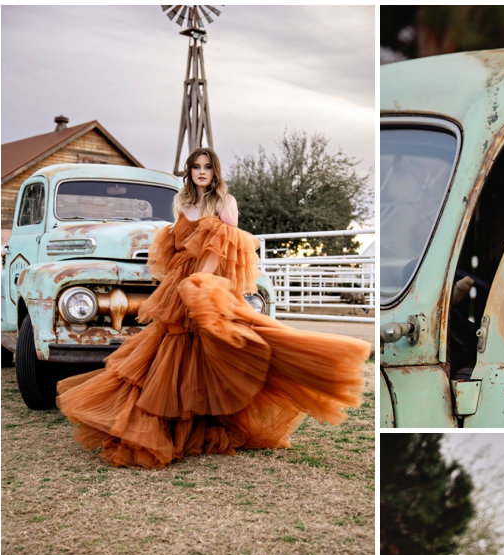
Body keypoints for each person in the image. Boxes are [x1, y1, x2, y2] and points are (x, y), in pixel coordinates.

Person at [57, 148, 371, 469]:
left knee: (214, 348)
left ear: (215, 171)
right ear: (189, 171)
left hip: (207, 286)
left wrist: (200, 281)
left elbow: (226, 246)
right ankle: (175, 424)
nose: (202, 172)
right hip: (180, 287)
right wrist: (180, 283)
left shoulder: (225, 203)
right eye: (196, 167)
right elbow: (174, 249)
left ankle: (217, 420)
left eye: (207, 167)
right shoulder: (183, 203)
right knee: (176, 352)